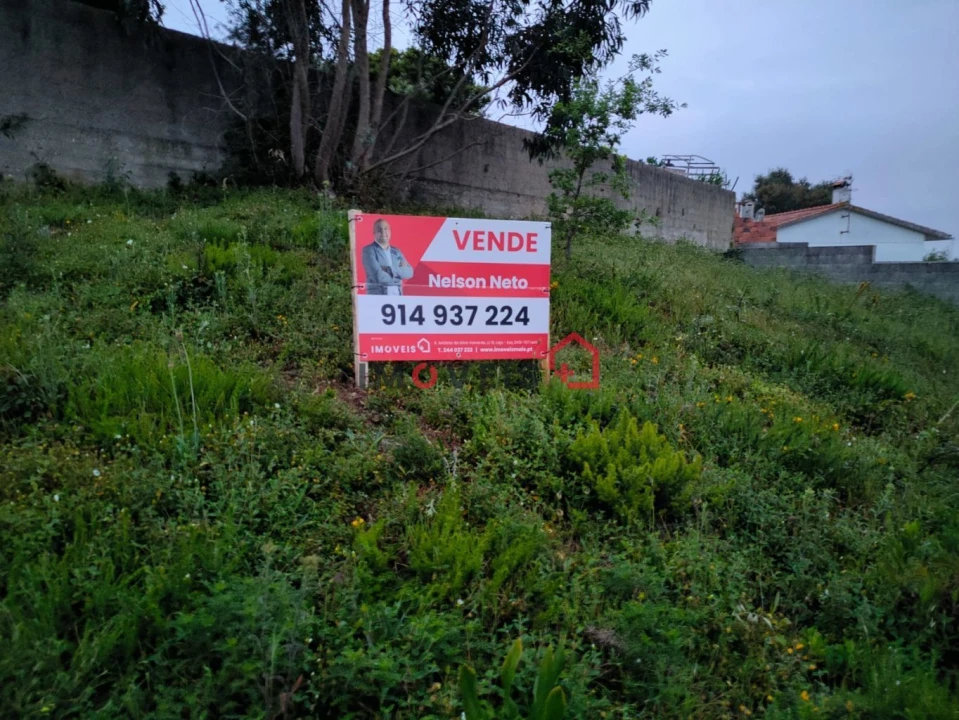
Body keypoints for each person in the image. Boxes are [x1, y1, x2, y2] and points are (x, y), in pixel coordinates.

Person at [361, 218, 413, 295]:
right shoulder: (368, 250)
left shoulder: (396, 251)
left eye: (386, 228)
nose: (383, 232)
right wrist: (398, 277)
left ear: (390, 231)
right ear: (374, 233)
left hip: (397, 295)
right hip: (378, 296)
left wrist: (389, 269)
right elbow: (378, 276)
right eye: (379, 229)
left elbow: (409, 272)